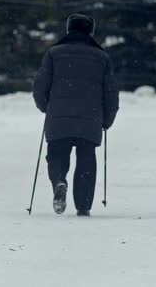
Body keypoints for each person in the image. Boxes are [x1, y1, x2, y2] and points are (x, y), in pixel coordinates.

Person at [33, 14, 119, 217]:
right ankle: (83, 205)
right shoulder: (102, 58)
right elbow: (111, 93)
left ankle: (59, 181)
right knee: (86, 159)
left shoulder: (53, 53)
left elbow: (40, 87)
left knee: (56, 155)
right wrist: (107, 120)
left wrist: (47, 107)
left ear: (68, 30)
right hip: (91, 118)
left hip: (59, 116)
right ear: (91, 32)